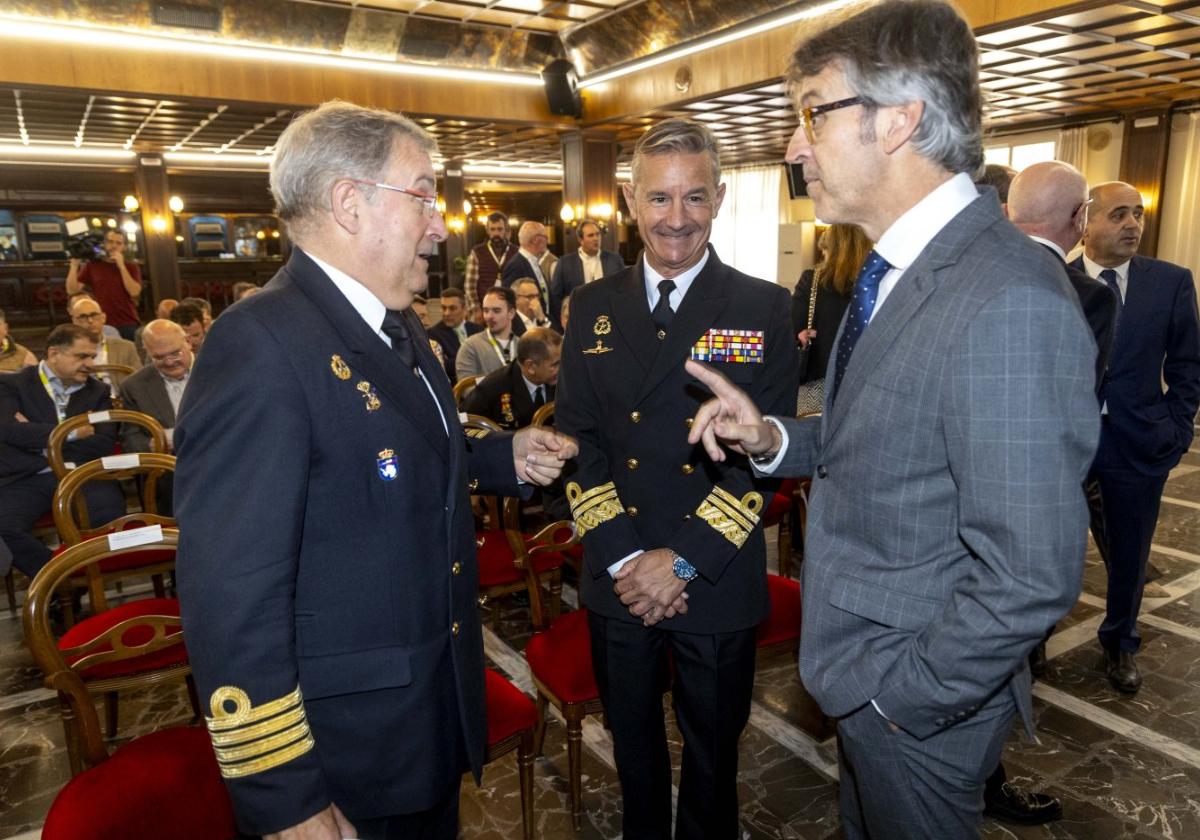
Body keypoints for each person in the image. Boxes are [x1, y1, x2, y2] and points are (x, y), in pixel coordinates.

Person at [685, 3, 1099, 837]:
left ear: (901, 120)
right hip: (868, 678)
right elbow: (872, 441)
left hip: (918, 706)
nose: (794, 145)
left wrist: (900, 700)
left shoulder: (1005, 295)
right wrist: (771, 438)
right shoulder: (895, 272)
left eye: (813, 113)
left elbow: (1031, 572)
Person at [174, 100, 577, 840]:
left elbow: (396, 454)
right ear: (350, 204)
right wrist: (284, 796)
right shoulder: (260, 344)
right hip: (345, 754)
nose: (440, 223)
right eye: (423, 194)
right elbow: (229, 599)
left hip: (422, 714)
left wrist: (501, 456)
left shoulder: (392, 322)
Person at [555, 117, 798, 839]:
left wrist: (683, 560)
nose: (677, 219)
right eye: (659, 199)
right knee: (633, 755)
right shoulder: (593, 309)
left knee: (713, 757)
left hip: (715, 576)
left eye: (695, 198)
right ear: (630, 201)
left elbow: (769, 458)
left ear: (720, 198)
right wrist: (633, 560)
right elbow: (583, 446)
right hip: (619, 575)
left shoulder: (764, 306)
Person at [1070, 181, 1200, 693]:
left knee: (1130, 553)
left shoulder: (1169, 282)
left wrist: (1176, 424)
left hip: (1138, 440)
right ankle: (1031, 646)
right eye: (1118, 214)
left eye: (1138, 215)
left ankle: (1120, 643)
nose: (1132, 225)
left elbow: (1189, 363)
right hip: (1065, 443)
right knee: (1049, 548)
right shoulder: (1054, 278)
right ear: (1086, 221)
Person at [0, 324, 124, 579]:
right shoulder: (13, 384)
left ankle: (92, 582)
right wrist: (72, 432)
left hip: (82, 474)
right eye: (82, 356)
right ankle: (61, 581)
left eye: (93, 355)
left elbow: (102, 442)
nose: (90, 363)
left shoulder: (98, 391)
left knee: (110, 518)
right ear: (54, 353)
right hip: (30, 476)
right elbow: (8, 432)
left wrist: (36, 436)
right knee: (4, 526)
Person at [118, 319, 193, 514]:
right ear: (147, 352)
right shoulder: (134, 386)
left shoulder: (217, 371)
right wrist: (153, 445)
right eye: (159, 357)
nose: (169, 362)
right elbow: (130, 439)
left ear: (188, 342)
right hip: (167, 464)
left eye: (175, 353)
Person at [789, 224, 865, 414]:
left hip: (816, 382)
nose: (823, 257)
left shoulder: (812, 280)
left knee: (811, 436)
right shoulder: (873, 283)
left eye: (825, 251)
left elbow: (791, 326)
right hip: (861, 383)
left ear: (832, 249)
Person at [462, 327, 560, 430]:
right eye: (555, 364)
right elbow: (464, 423)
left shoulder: (562, 381)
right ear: (530, 366)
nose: (561, 368)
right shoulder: (492, 388)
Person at [65, 229, 142, 341]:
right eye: (110, 242)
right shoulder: (93, 265)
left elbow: (134, 292)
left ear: (124, 247)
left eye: (118, 243)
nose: (113, 246)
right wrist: (74, 267)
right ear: (105, 244)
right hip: (101, 321)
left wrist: (121, 266)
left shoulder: (131, 266)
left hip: (127, 321)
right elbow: (72, 291)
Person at [550, 219, 624, 332]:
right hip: (578, 322)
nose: (596, 238)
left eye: (598, 234)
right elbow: (556, 296)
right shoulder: (565, 263)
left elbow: (624, 289)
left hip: (610, 321)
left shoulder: (614, 259)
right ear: (580, 239)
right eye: (590, 235)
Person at [69, 296, 142, 391]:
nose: (90, 321)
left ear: (103, 318)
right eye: (83, 317)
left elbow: (141, 381)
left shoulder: (126, 347)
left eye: (94, 315)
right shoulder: (68, 351)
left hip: (123, 400)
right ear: (74, 321)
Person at [456, 286, 518, 382]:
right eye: (485, 311)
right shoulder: (471, 346)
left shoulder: (523, 345)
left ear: (511, 313)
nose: (489, 316)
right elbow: (465, 388)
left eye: (496, 311)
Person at [501, 221, 553, 323]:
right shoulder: (516, 265)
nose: (547, 241)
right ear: (535, 240)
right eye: (545, 237)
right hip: (526, 327)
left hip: (539, 321)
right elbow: (510, 302)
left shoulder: (533, 261)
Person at [428, 287, 483, 384]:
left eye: (452, 308)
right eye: (443, 308)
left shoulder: (478, 330)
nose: (447, 313)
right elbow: (445, 366)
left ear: (464, 309)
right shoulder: (433, 335)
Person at [463, 212, 518, 307]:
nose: (496, 233)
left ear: (506, 230)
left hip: (510, 306)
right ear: (487, 231)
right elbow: (470, 285)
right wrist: (475, 308)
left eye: (500, 229)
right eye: (492, 229)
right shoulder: (477, 252)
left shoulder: (516, 252)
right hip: (485, 307)